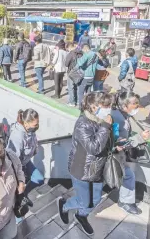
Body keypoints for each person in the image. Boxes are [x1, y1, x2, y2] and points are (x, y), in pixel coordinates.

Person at [57, 92, 113, 236]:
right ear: (93, 107)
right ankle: (65, 205)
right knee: (84, 201)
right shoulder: (83, 124)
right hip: (81, 169)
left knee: (95, 199)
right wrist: (106, 127)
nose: (109, 109)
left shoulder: (100, 120)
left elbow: (105, 143)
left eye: (109, 105)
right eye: (105, 106)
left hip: (97, 169)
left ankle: (80, 215)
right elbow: (94, 147)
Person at [110, 91, 149, 214]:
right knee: (128, 175)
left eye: (137, 103)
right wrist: (140, 138)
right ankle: (125, 202)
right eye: (134, 104)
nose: (137, 106)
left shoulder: (122, 114)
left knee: (127, 175)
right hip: (114, 155)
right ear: (124, 105)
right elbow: (118, 142)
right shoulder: (117, 118)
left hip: (119, 154)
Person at [7, 109, 43, 196]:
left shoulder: (30, 130)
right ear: (26, 123)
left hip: (25, 161)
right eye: (35, 124)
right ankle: (19, 198)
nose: (37, 126)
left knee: (39, 179)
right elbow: (14, 159)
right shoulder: (17, 136)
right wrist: (20, 179)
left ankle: (24, 194)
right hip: (17, 165)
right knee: (19, 187)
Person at [76, 44, 99, 110]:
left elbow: (80, 63)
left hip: (85, 75)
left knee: (81, 92)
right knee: (88, 92)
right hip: (92, 75)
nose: (83, 52)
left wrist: (78, 58)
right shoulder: (95, 54)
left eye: (83, 50)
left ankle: (81, 107)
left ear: (85, 49)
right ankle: (88, 105)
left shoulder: (87, 54)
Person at [65, 42, 82, 107]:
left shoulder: (71, 53)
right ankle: (77, 101)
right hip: (79, 72)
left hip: (71, 72)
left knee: (70, 87)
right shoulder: (80, 53)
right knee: (77, 87)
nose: (68, 50)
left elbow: (66, 64)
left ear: (69, 47)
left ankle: (72, 102)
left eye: (67, 49)